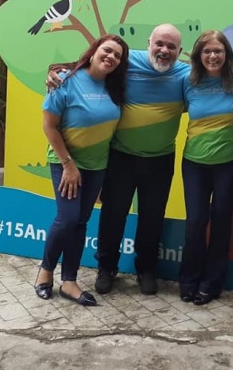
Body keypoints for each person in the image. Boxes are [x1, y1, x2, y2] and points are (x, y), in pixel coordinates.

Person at [47, 24, 189, 295]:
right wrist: (55, 71)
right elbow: (89, 63)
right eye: (159, 44)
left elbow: (221, 72)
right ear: (149, 43)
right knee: (113, 215)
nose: (164, 50)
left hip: (160, 159)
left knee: (152, 217)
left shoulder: (185, 73)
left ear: (180, 51)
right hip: (120, 157)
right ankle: (106, 267)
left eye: (171, 47)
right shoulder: (126, 59)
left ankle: (146, 269)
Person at [34, 34, 129, 306]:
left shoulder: (115, 87)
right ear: (94, 51)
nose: (111, 57)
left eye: (118, 56)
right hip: (66, 163)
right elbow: (49, 126)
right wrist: (68, 164)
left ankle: (69, 282)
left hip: (97, 166)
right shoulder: (65, 79)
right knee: (67, 219)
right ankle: (45, 272)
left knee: (80, 222)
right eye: (107, 50)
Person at [179, 30, 233, 305]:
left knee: (221, 222)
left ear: (227, 54)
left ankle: (212, 283)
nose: (213, 56)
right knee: (195, 222)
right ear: (198, 55)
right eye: (207, 51)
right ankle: (188, 280)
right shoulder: (188, 80)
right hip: (195, 163)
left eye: (218, 50)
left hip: (229, 164)